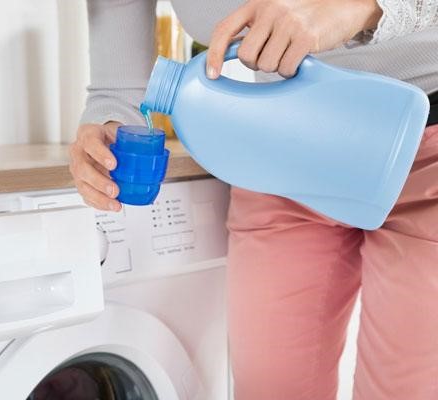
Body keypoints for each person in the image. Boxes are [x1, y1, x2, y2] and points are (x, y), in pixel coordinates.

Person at [68, 1, 438, 398]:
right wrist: (108, 124)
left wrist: (356, 8)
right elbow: (121, 85)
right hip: (276, 154)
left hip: (426, 149)